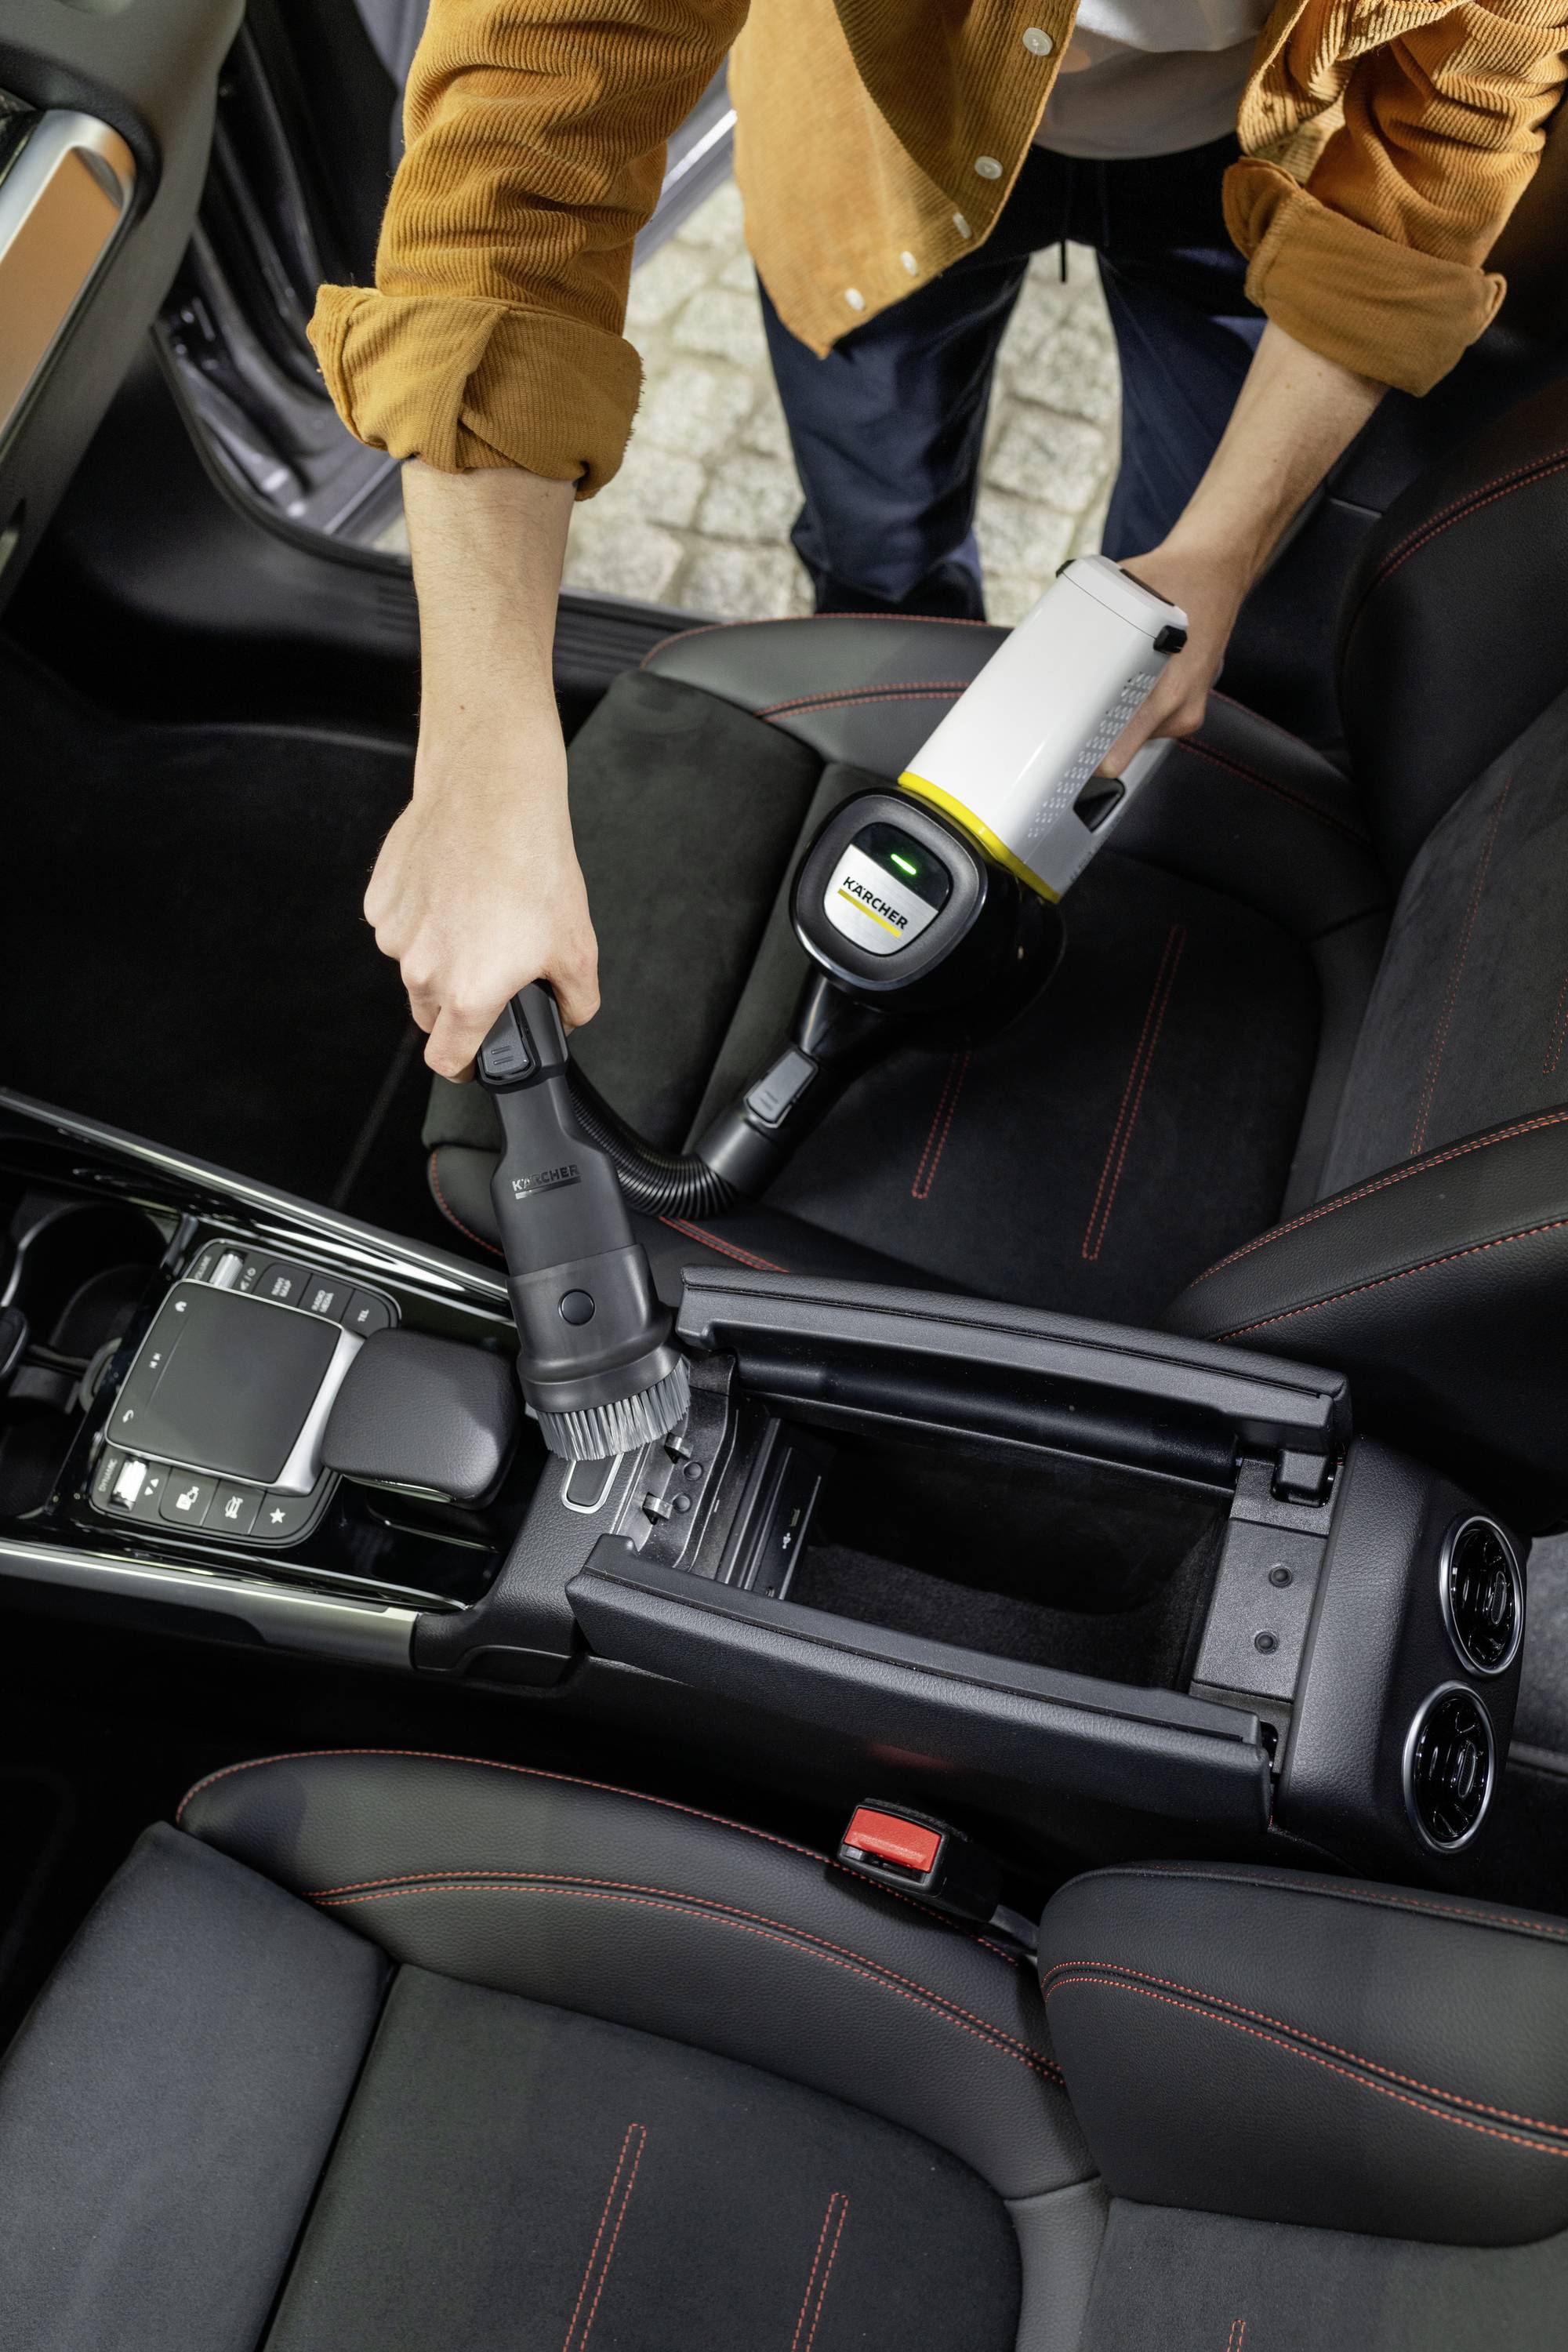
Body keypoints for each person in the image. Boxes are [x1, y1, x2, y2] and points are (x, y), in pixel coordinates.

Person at [313, 0, 1568, 1080]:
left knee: (1149, 659)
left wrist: (1218, 558)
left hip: (1270, 159)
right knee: (876, 544)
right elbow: (523, 146)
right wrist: (482, 758)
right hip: (875, 130)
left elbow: (1442, 138)